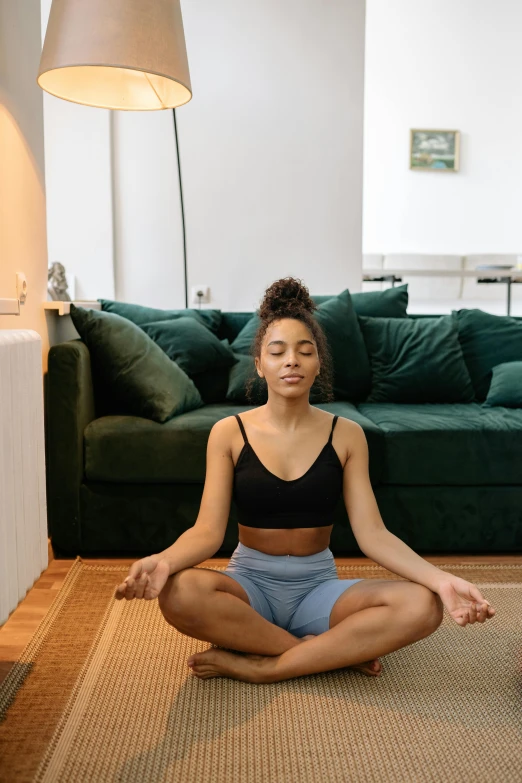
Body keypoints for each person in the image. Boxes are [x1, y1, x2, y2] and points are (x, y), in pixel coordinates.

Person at [115, 277, 495, 685]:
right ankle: (328, 653)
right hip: (250, 586)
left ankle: (266, 665)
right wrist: (164, 561)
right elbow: (207, 531)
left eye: (305, 351)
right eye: (277, 352)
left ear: (318, 363)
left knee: (423, 606)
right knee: (178, 592)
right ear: (259, 365)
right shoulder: (228, 432)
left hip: (318, 590)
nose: (291, 360)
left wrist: (441, 580)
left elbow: (373, 535)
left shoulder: (347, 435)